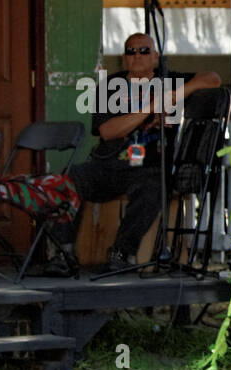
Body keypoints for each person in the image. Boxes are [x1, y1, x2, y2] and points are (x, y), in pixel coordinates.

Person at [66, 32, 221, 271]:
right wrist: (151, 107)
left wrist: (174, 95)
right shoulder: (109, 86)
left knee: (155, 187)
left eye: (144, 50)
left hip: (150, 167)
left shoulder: (169, 81)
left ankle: (121, 252)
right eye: (131, 51)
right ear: (124, 58)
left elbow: (213, 79)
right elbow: (107, 131)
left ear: (156, 57)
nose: (137, 55)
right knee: (69, 178)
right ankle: (64, 252)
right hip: (109, 165)